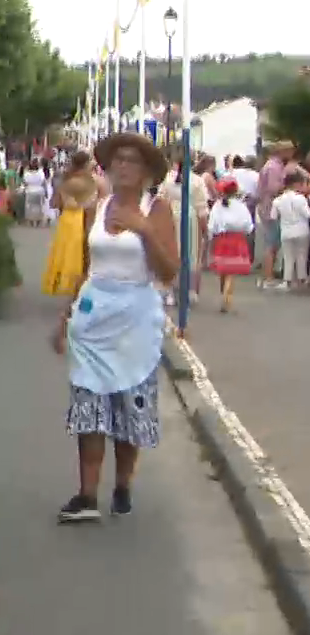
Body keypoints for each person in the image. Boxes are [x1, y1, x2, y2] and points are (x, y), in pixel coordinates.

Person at [50, 132, 177, 523]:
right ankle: (87, 495)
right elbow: (88, 268)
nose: (123, 166)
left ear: (146, 172)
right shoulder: (97, 207)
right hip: (93, 315)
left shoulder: (157, 210)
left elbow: (169, 271)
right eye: (118, 160)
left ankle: (122, 483)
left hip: (135, 318)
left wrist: (143, 229)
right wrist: (67, 315)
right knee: (89, 406)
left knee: (127, 408)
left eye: (132, 161)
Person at [42, 151, 99, 297]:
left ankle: (72, 286)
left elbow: (56, 202)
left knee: (67, 253)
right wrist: (90, 202)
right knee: (76, 254)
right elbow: (74, 203)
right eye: (90, 162)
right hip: (76, 218)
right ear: (85, 164)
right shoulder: (84, 181)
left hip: (67, 219)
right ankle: (76, 287)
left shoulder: (67, 179)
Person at [160, 157, 209, 306]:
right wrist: (205, 229)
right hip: (190, 217)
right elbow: (201, 207)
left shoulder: (167, 179)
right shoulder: (197, 181)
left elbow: (161, 199)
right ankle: (188, 290)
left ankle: (169, 291)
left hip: (170, 216)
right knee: (191, 254)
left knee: (171, 252)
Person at [208, 177, 255, 313]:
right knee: (231, 271)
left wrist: (211, 236)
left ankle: (224, 292)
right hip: (238, 239)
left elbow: (213, 224)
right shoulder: (241, 206)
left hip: (222, 239)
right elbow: (248, 225)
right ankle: (227, 296)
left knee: (223, 269)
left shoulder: (218, 205)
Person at [253, 141, 294, 289]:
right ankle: (268, 277)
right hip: (271, 209)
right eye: (290, 151)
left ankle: (268, 276)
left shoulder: (271, 165)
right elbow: (273, 188)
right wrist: (289, 186)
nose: (291, 155)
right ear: (283, 151)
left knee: (272, 243)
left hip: (267, 208)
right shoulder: (274, 167)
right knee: (272, 244)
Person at [270, 169, 310, 289]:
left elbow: (273, 217)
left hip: (286, 231)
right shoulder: (300, 199)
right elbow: (308, 215)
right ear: (296, 184)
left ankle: (287, 281)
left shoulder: (277, 200)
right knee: (301, 255)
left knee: (288, 256)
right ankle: (302, 279)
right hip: (302, 230)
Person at [21, 158, 49, 227]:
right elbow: (43, 182)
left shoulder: (26, 173)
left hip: (30, 191)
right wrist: (46, 192)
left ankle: (31, 221)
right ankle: (38, 221)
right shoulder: (40, 172)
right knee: (39, 206)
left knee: (29, 207)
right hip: (39, 191)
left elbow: (24, 183)